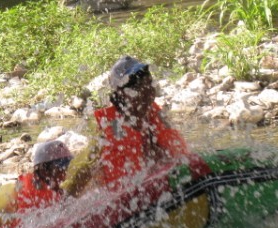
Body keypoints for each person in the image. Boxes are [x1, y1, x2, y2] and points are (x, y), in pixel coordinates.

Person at [62, 56, 189, 196]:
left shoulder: (154, 114)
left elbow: (177, 156)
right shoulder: (114, 126)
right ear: (121, 94)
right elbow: (86, 165)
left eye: (148, 81)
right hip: (126, 200)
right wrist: (68, 198)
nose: (147, 89)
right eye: (138, 85)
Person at [0, 139, 73, 228]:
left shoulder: (23, 182)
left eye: (67, 166)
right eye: (61, 168)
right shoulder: (45, 197)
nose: (65, 173)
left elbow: (5, 214)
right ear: (44, 170)